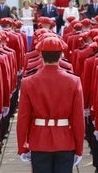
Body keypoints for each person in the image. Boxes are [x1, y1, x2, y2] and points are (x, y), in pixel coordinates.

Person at [17, 36, 84, 173]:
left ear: (40, 55)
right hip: (65, 140)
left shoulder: (28, 82)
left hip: (39, 140)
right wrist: (79, 148)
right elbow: (78, 119)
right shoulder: (74, 81)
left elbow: (23, 118)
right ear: (61, 55)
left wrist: (22, 146)